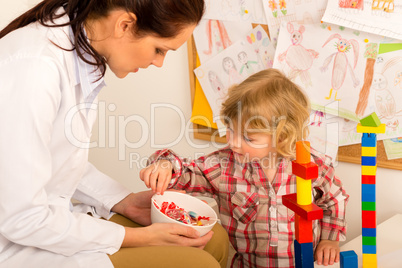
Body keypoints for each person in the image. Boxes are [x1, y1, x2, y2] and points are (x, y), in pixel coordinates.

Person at [0, 0, 229, 267]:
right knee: (200, 264)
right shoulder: (35, 69)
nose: (158, 63)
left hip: (50, 219)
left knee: (214, 239)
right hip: (17, 241)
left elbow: (54, 160)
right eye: (159, 50)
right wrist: (136, 237)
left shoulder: (83, 52)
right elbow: (22, 218)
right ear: (125, 25)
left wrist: (124, 201)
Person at [140, 69, 349, 267]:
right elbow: (185, 172)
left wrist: (330, 240)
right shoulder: (223, 167)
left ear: (282, 137)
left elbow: (335, 199)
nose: (233, 142)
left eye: (248, 137)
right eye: (230, 129)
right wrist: (165, 164)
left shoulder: (313, 165)